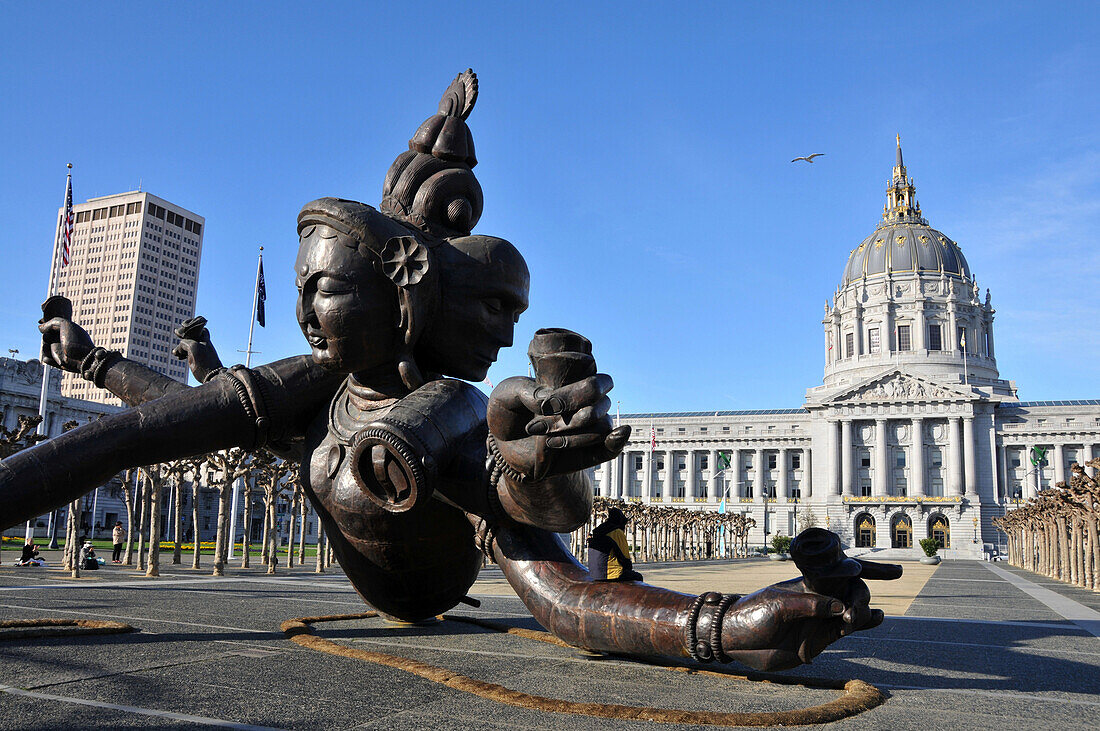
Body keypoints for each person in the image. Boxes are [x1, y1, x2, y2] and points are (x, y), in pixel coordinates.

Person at [587, 507, 642, 582]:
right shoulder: (616, 532)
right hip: (610, 574)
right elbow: (625, 557)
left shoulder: (599, 530)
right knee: (638, 577)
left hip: (594, 573)